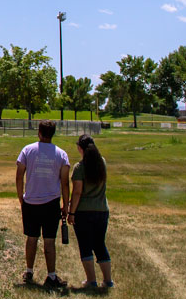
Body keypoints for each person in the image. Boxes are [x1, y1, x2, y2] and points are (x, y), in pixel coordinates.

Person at [16, 120, 70, 289]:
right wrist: (66, 205)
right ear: (53, 133)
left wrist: (21, 198)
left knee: (31, 238)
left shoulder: (27, 150)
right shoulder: (61, 154)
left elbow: (19, 177)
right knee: (49, 240)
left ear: (39, 133)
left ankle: (29, 271)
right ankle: (51, 276)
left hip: (30, 201)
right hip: (51, 203)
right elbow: (65, 183)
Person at [67, 135, 113, 289]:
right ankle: (108, 280)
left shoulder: (79, 168)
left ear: (80, 148)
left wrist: (71, 212)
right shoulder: (103, 163)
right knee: (100, 244)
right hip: (101, 210)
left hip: (84, 212)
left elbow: (77, 192)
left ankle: (91, 280)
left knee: (85, 245)